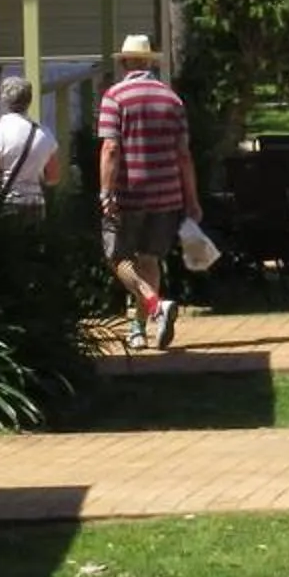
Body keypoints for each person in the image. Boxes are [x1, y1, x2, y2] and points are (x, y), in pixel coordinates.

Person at [96, 31, 198, 350]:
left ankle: (154, 306)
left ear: (125, 62)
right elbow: (184, 154)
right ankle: (139, 330)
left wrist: (105, 192)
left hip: (128, 194)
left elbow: (111, 148)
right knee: (150, 258)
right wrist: (192, 199)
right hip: (167, 194)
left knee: (117, 257)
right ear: (149, 62)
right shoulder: (172, 99)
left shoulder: (115, 96)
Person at [0, 74, 62, 212]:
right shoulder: (44, 134)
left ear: (4, 101)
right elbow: (54, 176)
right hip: (36, 204)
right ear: (29, 101)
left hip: (6, 202)